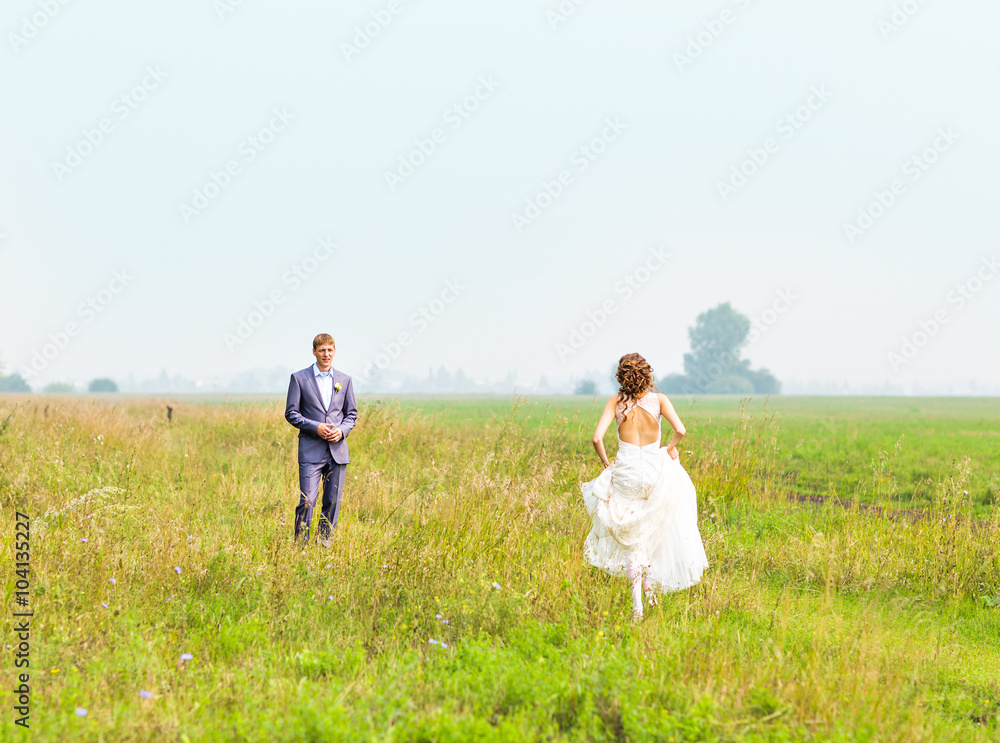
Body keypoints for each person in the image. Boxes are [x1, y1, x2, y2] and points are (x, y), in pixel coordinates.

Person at [581, 353, 708, 620]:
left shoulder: (615, 403)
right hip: (653, 470)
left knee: (631, 535)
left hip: (626, 472)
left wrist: (607, 465)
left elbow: (596, 438)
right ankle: (648, 594)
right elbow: (681, 430)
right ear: (646, 374)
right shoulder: (660, 400)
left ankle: (638, 603)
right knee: (650, 528)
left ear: (621, 376)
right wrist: (669, 449)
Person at [285, 333, 358, 547]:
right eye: (322, 350)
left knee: (332, 502)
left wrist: (342, 431)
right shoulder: (299, 378)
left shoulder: (345, 380)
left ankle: (324, 545)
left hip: (338, 451)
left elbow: (351, 414)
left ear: (334, 351)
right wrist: (315, 427)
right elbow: (291, 413)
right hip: (310, 451)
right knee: (307, 500)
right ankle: (301, 547)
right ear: (314, 352)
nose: (326, 354)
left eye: (330, 350)